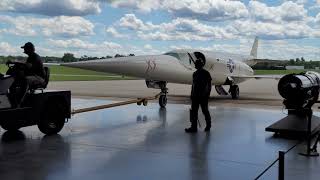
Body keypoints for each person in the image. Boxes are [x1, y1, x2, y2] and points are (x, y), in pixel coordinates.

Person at [185, 56, 212, 133]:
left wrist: (207, 95)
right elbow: (193, 85)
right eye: (196, 64)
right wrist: (191, 94)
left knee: (205, 111)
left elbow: (209, 85)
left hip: (203, 97)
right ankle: (193, 127)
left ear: (200, 65)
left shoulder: (206, 73)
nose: (195, 65)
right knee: (194, 112)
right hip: (195, 96)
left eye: (197, 64)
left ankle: (208, 126)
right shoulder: (195, 74)